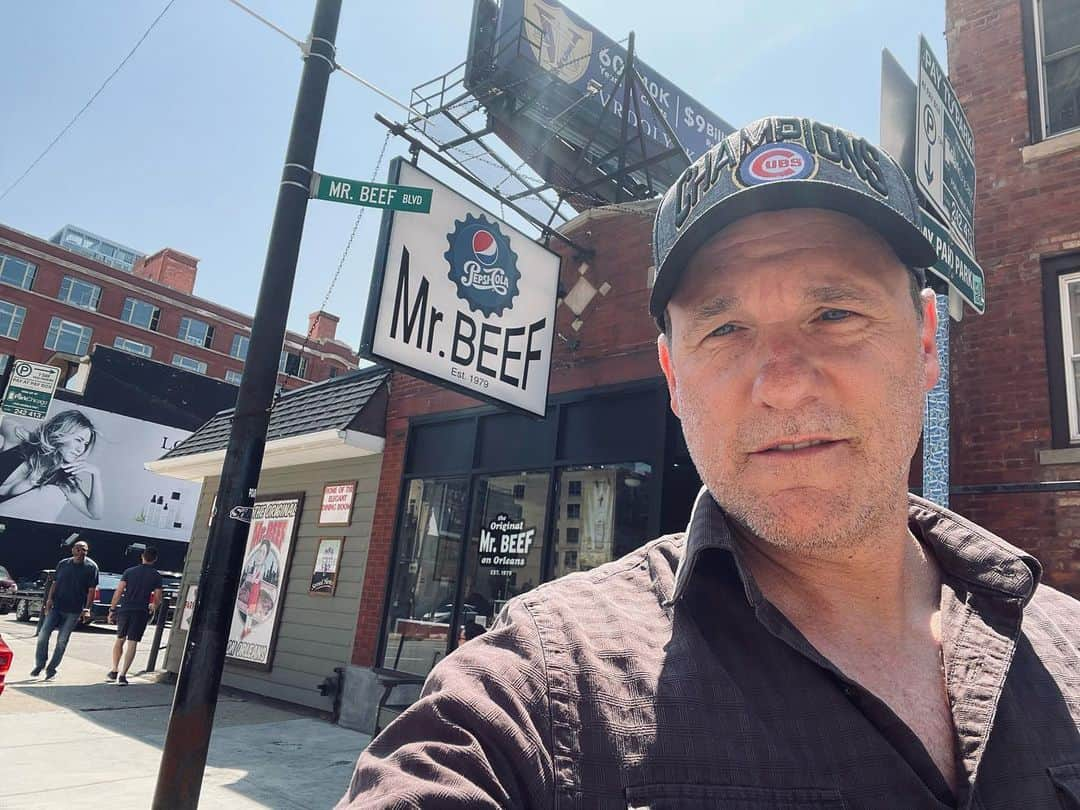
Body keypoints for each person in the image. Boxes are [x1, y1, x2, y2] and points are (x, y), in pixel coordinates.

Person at [337, 117, 1080, 809]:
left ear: (924, 343)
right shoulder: (549, 681)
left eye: (834, 314)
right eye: (725, 329)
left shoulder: (1068, 645)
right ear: (672, 378)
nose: (783, 382)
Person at [0, 409, 104, 520]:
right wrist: (33, 439)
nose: (81, 449)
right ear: (61, 432)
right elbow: (2, 420)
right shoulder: (20, 442)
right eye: (78, 440)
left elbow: (94, 514)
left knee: (56, 495)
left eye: (85, 444)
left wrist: (96, 474)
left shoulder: (60, 478)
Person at [33, 539, 99, 680]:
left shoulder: (91, 567)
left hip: (74, 610)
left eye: (84, 550)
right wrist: (49, 600)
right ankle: (40, 664)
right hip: (57, 606)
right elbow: (55, 583)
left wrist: (87, 608)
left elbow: (92, 590)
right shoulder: (63, 564)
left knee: (62, 640)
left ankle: (52, 669)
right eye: (79, 549)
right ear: (73, 550)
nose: (81, 552)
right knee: (43, 634)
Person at [106, 546, 163, 685]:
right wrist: (154, 607)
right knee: (132, 642)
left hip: (125, 608)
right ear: (155, 559)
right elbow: (158, 597)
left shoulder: (129, 572)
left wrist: (112, 609)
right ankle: (123, 675)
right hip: (141, 610)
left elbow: (119, 591)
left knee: (120, 639)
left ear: (142, 556)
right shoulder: (156, 575)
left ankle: (114, 669)